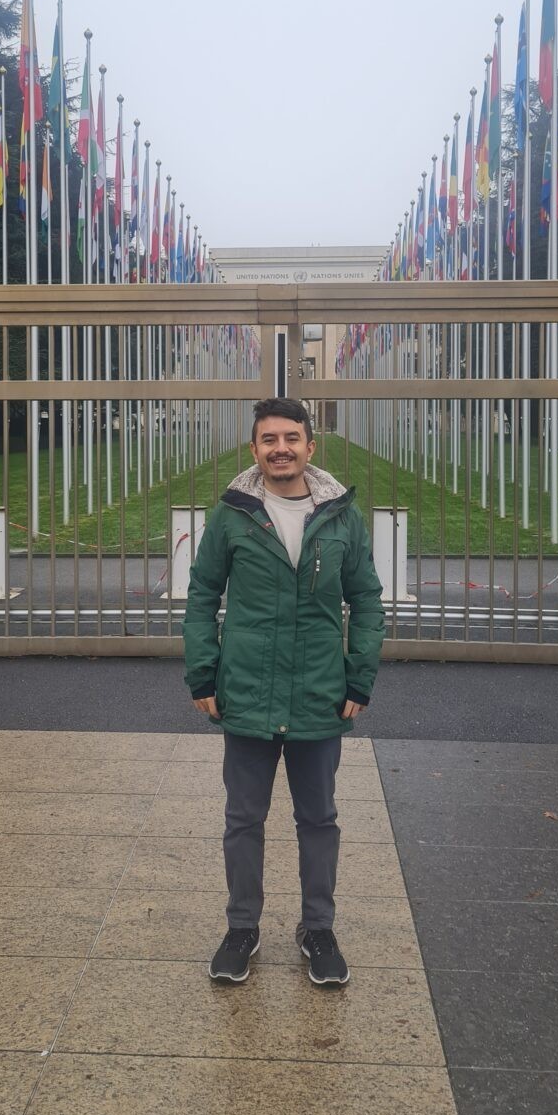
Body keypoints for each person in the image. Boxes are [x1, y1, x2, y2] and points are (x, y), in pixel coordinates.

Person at [183, 396, 384, 987]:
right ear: (254, 449)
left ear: (310, 447)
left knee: (318, 817)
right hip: (246, 690)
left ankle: (317, 929)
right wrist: (203, 672)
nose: (281, 449)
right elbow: (202, 596)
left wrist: (359, 675)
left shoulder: (341, 517)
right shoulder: (232, 514)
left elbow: (367, 599)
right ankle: (242, 928)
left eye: (291, 438)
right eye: (269, 439)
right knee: (243, 818)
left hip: (319, 692)